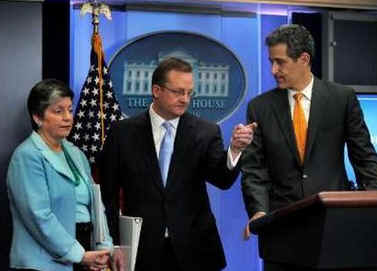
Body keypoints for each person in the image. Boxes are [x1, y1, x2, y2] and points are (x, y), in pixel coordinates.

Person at [241, 24, 377, 271]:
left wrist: (373, 200)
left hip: (335, 226)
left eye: (280, 62)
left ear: (304, 59)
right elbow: (254, 169)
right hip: (282, 231)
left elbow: (364, 156)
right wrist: (259, 211)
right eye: (271, 62)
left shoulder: (341, 98)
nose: (273, 70)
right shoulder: (259, 107)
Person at [99, 57, 256, 271]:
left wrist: (235, 149)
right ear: (156, 90)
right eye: (178, 91)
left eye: (189, 93)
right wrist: (114, 243)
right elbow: (107, 195)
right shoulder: (122, 133)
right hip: (141, 250)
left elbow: (222, 179)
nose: (185, 99)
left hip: (195, 249)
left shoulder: (205, 131)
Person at [6, 79, 122, 271]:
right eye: (58, 111)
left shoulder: (76, 153)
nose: (68, 117)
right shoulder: (27, 156)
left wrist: (105, 248)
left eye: (70, 109)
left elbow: (96, 205)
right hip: (43, 263)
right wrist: (79, 255)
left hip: (85, 255)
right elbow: (39, 217)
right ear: (37, 117)